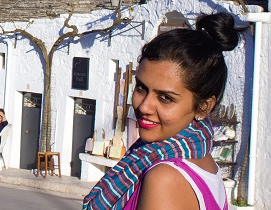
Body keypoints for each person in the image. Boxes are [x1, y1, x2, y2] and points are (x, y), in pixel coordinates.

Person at [83, 12, 245, 209]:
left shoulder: (164, 178)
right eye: (141, 88)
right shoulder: (201, 160)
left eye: (166, 98)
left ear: (204, 106)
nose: (144, 106)